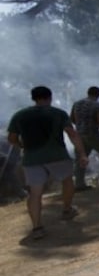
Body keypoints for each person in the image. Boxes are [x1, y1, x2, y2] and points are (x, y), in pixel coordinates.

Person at [6, 86, 89, 239]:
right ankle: (67, 209)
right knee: (67, 180)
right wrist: (82, 153)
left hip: (32, 159)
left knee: (35, 193)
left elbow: (11, 139)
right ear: (50, 97)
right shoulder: (58, 113)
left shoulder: (20, 115)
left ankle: (37, 227)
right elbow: (72, 134)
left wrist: (23, 146)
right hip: (57, 155)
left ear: (33, 98)